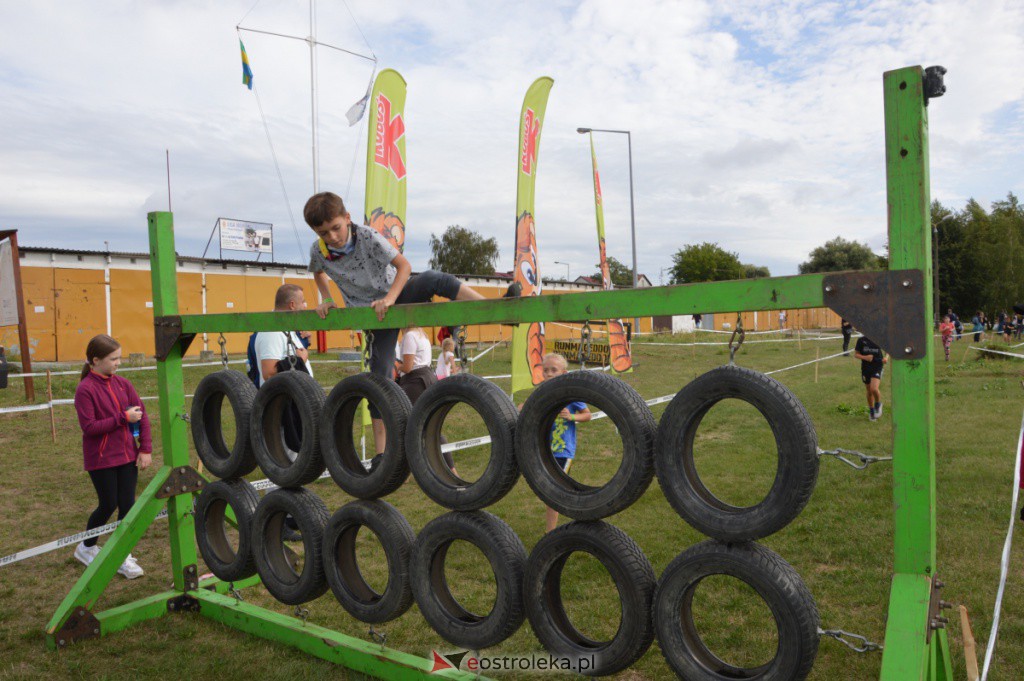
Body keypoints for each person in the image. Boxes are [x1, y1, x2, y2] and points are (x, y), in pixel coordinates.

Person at [305, 192, 487, 460]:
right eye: (323, 233)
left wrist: (389, 299)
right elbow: (317, 271)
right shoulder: (318, 251)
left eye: (336, 228)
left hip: (396, 295)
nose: (332, 237)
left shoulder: (366, 236)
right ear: (315, 232)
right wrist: (328, 299)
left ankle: (490, 308)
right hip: (372, 317)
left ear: (347, 218)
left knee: (434, 278)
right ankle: (382, 454)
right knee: (379, 379)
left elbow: (403, 266)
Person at [73, 334, 152, 579]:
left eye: (119, 357)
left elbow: (142, 415)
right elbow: (90, 427)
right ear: (95, 360)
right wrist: (122, 419)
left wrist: (145, 447)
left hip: (127, 456)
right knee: (108, 504)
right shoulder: (85, 390)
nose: (119, 362)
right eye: (113, 358)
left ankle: (121, 553)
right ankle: (86, 547)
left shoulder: (123, 384)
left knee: (128, 505)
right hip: (101, 459)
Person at [541, 353, 592, 532]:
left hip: (563, 451)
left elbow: (588, 414)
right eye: (545, 370)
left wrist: (571, 416)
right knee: (549, 492)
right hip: (545, 451)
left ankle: (551, 531)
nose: (548, 374)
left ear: (563, 373)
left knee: (555, 492)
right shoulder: (541, 394)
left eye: (553, 370)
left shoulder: (570, 395)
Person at [853, 335, 887, 421]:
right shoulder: (861, 340)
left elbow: (888, 350)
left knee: (874, 389)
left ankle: (878, 405)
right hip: (866, 367)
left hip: (877, 366)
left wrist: (886, 357)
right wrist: (865, 357)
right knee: (869, 390)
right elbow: (856, 354)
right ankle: (872, 412)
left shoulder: (879, 338)